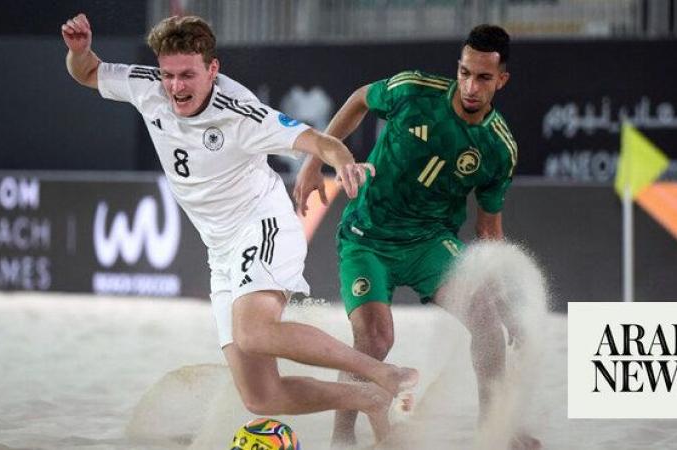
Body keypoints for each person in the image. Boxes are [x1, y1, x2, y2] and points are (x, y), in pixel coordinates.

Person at [61, 13, 419, 442]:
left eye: (187, 75)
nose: (175, 87)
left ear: (213, 69)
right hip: (220, 251)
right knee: (261, 397)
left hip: (262, 224)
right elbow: (88, 73)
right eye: (168, 75)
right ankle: (367, 398)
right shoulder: (148, 85)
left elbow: (319, 141)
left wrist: (342, 162)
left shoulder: (241, 112)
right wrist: (78, 51)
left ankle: (384, 374)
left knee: (254, 332)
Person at [294, 25, 541, 449]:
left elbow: (488, 232)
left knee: (486, 320)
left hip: (430, 242)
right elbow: (358, 100)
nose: (470, 86)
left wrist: (503, 301)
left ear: (502, 80)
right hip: (367, 236)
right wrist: (316, 161)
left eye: (483, 78)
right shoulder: (413, 90)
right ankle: (342, 438)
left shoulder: (499, 147)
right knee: (374, 339)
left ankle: (494, 431)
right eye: (464, 72)